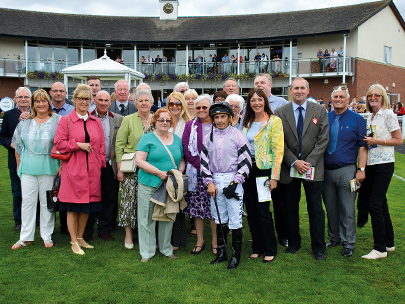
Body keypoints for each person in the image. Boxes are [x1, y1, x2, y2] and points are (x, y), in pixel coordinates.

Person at [274, 77, 329, 260]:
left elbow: (323, 140)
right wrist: (294, 162)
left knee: (315, 209)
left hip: (313, 168)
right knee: (290, 207)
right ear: (290, 91)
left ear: (308, 90)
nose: (299, 91)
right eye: (295, 88)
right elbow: (278, 140)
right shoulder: (280, 112)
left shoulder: (320, 111)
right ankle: (294, 243)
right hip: (289, 168)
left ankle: (319, 247)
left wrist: (308, 162)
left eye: (302, 88)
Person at [54, 84, 106, 255]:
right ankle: (73, 240)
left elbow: (101, 145)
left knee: (87, 206)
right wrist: (78, 145)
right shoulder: (66, 120)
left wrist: (99, 163)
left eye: (87, 98)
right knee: (73, 207)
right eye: (81, 98)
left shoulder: (95, 121)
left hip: (92, 171)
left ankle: (81, 237)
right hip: (73, 170)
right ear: (74, 99)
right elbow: (59, 143)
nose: (84, 102)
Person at [201, 102, 252, 270]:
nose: (220, 120)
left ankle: (236, 256)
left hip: (233, 179)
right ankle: (222, 253)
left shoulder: (238, 135)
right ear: (213, 119)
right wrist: (209, 182)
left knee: (235, 219)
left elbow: (246, 161)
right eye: (216, 117)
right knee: (219, 217)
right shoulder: (209, 136)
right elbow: (204, 162)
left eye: (223, 116)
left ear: (230, 118)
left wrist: (236, 182)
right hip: (215, 179)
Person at [11, 89, 60, 249]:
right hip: (28, 168)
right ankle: (25, 237)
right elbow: (18, 145)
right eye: (37, 101)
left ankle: (47, 236)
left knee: (47, 203)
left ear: (49, 103)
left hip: (49, 167)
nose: (41, 104)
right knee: (27, 202)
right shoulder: (24, 122)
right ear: (33, 104)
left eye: (44, 101)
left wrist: (61, 167)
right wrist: (19, 164)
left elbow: (62, 145)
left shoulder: (57, 120)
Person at [358, 84, 403, 259]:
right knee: (382, 204)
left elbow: (398, 140)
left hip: (384, 164)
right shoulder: (370, 116)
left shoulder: (388, 114)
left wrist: (378, 141)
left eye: (377, 95)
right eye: (370, 95)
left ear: (383, 97)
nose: (373, 98)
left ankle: (379, 248)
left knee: (374, 204)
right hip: (372, 164)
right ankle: (389, 243)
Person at [322, 85, 367, 258]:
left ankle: (349, 242)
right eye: (335, 97)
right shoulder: (326, 118)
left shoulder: (357, 120)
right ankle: (334, 238)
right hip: (326, 171)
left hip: (347, 170)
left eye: (341, 96)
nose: (338, 99)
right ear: (331, 99)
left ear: (347, 99)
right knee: (331, 207)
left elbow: (363, 147)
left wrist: (361, 170)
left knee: (347, 208)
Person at [135, 108, 185, 262]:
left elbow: (181, 159)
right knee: (146, 218)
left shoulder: (176, 139)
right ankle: (147, 252)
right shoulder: (147, 138)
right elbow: (139, 160)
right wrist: (158, 172)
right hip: (149, 183)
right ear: (154, 121)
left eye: (168, 120)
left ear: (171, 122)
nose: (165, 122)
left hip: (169, 185)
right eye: (161, 120)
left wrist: (179, 172)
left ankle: (166, 249)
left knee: (168, 216)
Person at [241, 89, 284, 263]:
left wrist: (274, 177)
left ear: (265, 101)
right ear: (249, 103)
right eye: (253, 100)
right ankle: (257, 247)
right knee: (251, 210)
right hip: (246, 170)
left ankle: (270, 247)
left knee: (263, 211)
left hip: (263, 170)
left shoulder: (274, 121)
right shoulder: (247, 122)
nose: (256, 103)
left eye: (259, 100)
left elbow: (278, 150)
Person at [115, 89, 154, 248]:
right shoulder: (128, 120)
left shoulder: (157, 119)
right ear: (135, 103)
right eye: (140, 101)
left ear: (151, 103)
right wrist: (119, 169)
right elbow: (119, 145)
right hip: (132, 168)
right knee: (128, 201)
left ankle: (148, 233)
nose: (144, 103)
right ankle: (129, 235)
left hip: (152, 168)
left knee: (150, 202)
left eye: (147, 100)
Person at [84, 91, 124, 242]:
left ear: (110, 102)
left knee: (109, 199)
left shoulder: (118, 119)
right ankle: (87, 230)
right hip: (91, 165)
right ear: (94, 100)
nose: (103, 103)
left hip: (110, 165)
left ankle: (105, 229)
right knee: (90, 198)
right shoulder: (87, 118)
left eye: (106, 100)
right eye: (100, 100)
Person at [182, 95, 218, 255]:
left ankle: (215, 242)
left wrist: (211, 168)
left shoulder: (219, 123)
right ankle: (200, 240)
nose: (202, 110)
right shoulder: (190, 125)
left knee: (215, 209)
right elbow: (186, 147)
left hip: (217, 172)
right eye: (198, 108)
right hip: (196, 174)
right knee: (198, 208)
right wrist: (203, 167)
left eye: (205, 107)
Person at [0, 87, 31, 231]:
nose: (23, 99)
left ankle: (35, 219)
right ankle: (18, 220)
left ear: (30, 99)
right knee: (17, 192)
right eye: (20, 97)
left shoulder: (36, 113)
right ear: (15, 99)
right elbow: (2, 136)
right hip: (15, 160)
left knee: (34, 191)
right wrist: (10, 144)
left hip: (33, 160)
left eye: (26, 97)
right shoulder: (9, 115)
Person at [166, 91, 191, 250]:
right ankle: (162, 238)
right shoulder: (162, 119)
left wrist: (181, 170)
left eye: (178, 103)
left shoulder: (188, 122)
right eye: (171, 103)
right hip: (162, 168)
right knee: (163, 204)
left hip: (183, 167)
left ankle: (177, 239)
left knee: (179, 203)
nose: (175, 107)